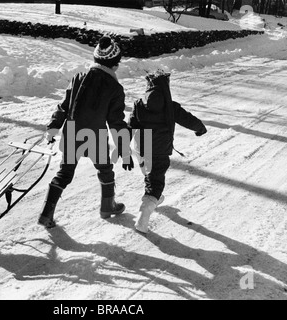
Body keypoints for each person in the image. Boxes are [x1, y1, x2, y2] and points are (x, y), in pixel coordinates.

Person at [38, 35, 134, 229]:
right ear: (114, 64)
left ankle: (46, 213)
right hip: (95, 137)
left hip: (73, 132)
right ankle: (108, 206)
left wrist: (54, 126)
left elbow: (63, 106)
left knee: (64, 173)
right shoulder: (115, 88)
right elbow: (116, 122)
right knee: (105, 169)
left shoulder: (78, 78)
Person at [128, 69, 207, 234]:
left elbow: (130, 127)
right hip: (160, 150)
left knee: (150, 175)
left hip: (142, 149)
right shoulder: (170, 106)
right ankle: (145, 213)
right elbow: (187, 119)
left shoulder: (138, 105)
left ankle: (154, 198)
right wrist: (200, 128)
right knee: (155, 182)